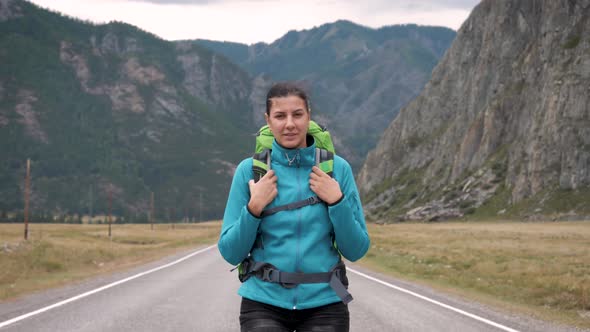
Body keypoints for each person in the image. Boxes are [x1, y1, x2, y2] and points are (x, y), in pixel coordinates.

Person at [218, 82, 370, 332]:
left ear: (308, 116)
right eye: (280, 115)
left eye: (297, 114)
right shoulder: (250, 171)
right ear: (268, 120)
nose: (289, 124)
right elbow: (230, 252)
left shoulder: (337, 169)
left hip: (326, 303)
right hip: (263, 302)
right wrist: (254, 207)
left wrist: (337, 202)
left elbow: (356, 249)